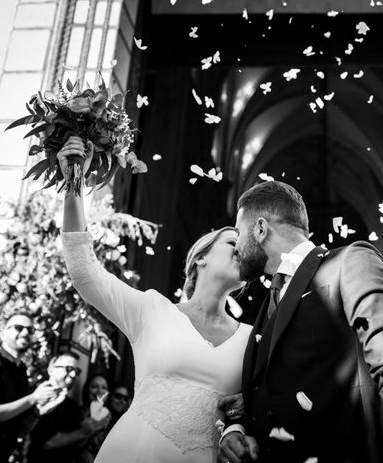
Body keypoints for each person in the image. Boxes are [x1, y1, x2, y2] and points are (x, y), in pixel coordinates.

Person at [58, 136, 252, 462]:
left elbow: (250, 412)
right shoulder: (152, 310)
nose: (243, 248)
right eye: (233, 241)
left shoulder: (250, 338)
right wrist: (74, 181)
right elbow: (85, 274)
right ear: (200, 258)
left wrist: (236, 430)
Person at [219, 181, 383, 463]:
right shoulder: (267, 303)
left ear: (260, 229)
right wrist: (239, 428)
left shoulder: (350, 262)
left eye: (238, 233)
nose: (236, 245)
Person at [0, 312, 62, 463]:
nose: (25, 333)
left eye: (30, 330)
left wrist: (38, 413)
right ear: (4, 334)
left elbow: (18, 431)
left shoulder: (21, 370)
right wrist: (33, 398)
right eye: (18, 327)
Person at [28, 353, 109, 463]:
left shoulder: (71, 405)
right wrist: (82, 432)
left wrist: (92, 429)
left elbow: (74, 445)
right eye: (69, 369)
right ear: (51, 369)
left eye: (76, 371)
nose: (72, 374)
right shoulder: (38, 395)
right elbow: (46, 442)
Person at [78, 374, 111, 463]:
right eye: (94, 387)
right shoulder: (78, 413)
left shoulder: (110, 415)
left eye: (104, 387)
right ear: (86, 390)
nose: (100, 391)